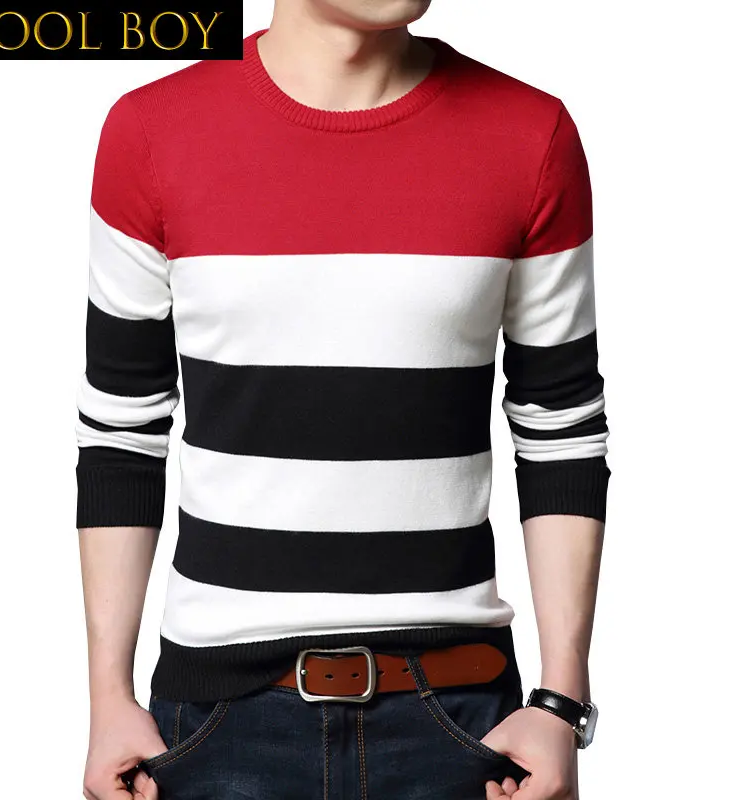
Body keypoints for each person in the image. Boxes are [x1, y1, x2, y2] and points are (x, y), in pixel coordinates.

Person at [75, 2, 610, 799]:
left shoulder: (528, 134)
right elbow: (121, 431)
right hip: (218, 724)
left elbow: (560, 427)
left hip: (459, 722)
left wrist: (561, 700)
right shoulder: (152, 131)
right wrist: (107, 699)